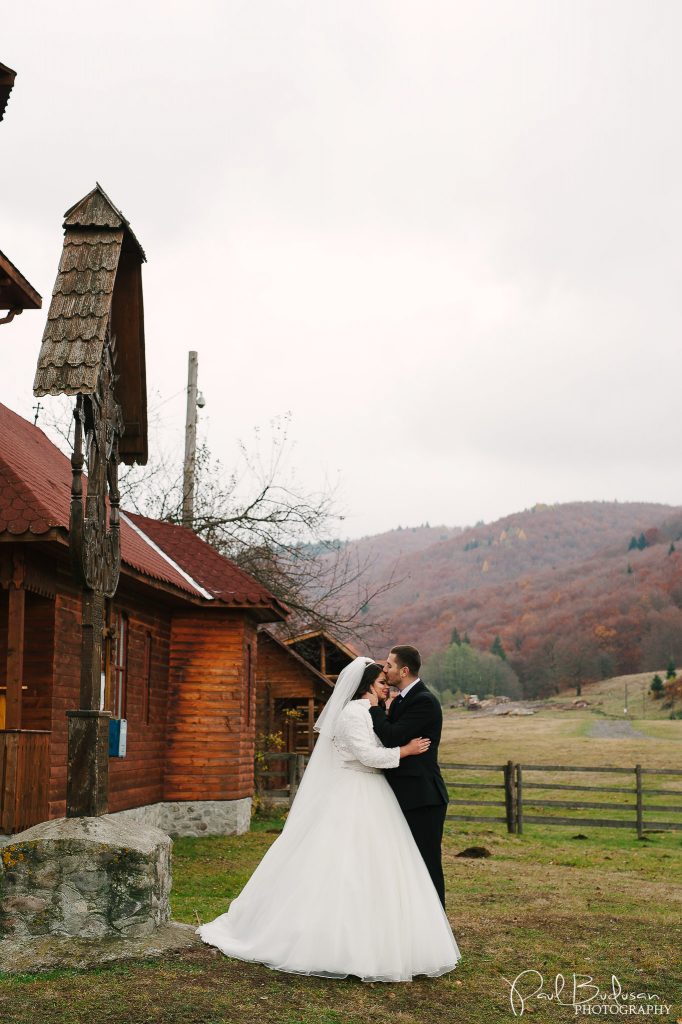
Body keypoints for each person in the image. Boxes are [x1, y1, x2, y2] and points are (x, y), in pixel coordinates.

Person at [195, 656, 462, 983]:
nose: (384, 688)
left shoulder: (367, 711)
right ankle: (333, 940)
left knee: (379, 869)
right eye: (380, 683)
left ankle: (385, 934)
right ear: (366, 687)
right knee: (341, 866)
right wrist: (404, 752)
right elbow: (366, 755)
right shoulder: (353, 713)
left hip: (374, 793)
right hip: (355, 792)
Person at [368, 645, 450, 907]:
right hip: (405, 794)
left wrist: (374, 709)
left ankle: (437, 924)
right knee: (406, 863)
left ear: (404, 670)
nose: (385, 669)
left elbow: (392, 736)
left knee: (426, 863)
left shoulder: (424, 701)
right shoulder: (403, 699)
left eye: (389, 665)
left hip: (423, 797)